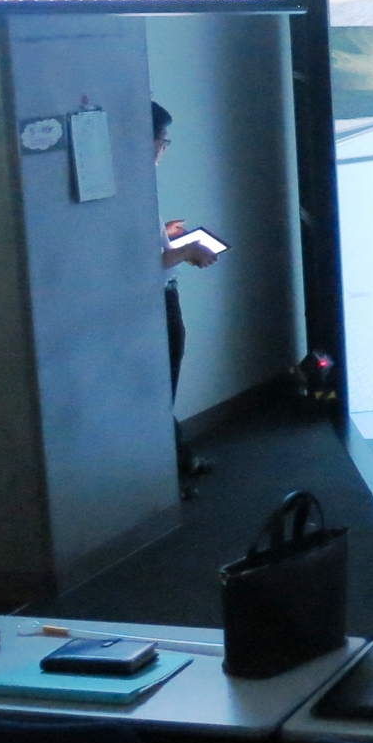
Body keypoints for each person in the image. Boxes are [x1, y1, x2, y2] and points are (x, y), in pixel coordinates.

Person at [154, 102, 219, 495]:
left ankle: (179, 463)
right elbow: (148, 262)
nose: (165, 148)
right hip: (158, 302)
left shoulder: (130, 183)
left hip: (159, 300)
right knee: (161, 393)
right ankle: (164, 482)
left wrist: (168, 235)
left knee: (161, 393)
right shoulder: (135, 186)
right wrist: (188, 249)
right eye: (163, 140)